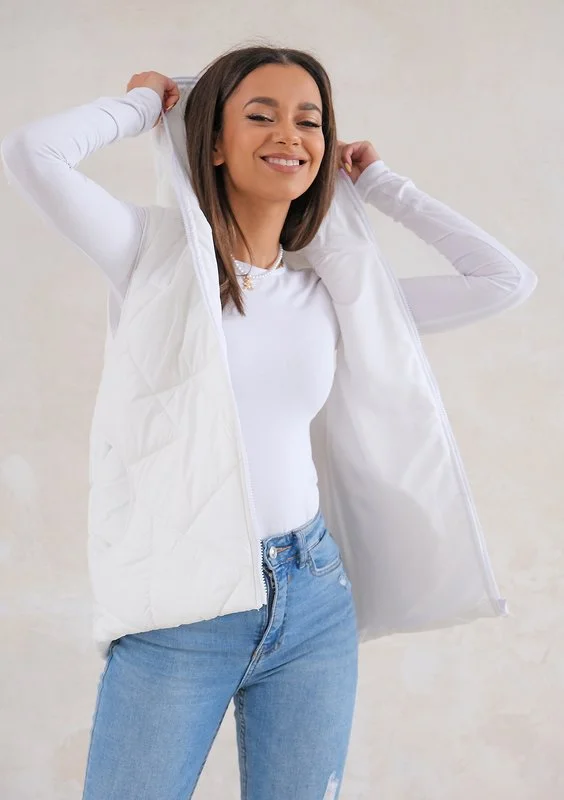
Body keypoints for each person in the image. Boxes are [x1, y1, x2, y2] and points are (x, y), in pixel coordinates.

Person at [0, 44, 537, 800]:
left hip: (312, 597)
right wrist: (142, 107)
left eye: (309, 121)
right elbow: (31, 153)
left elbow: (504, 280)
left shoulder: (329, 297)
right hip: (182, 610)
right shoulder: (150, 252)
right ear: (215, 143)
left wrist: (381, 183)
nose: (290, 134)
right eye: (261, 115)